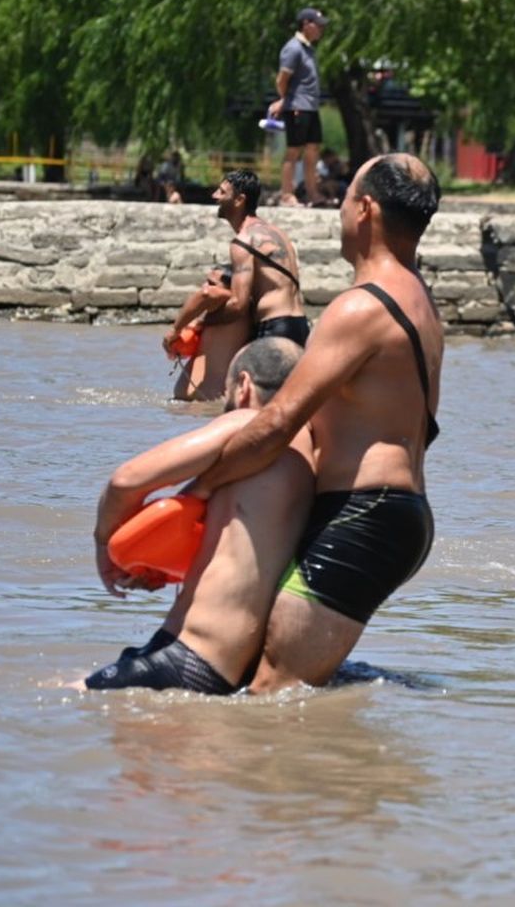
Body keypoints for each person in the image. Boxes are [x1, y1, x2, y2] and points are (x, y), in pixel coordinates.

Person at [187, 154, 444, 689]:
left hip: (364, 515)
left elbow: (278, 423)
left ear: (365, 210)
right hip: (392, 512)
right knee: (282, 686)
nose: (339, 208)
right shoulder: (420, 301)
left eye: (344, 196)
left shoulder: (361, 309)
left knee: (271, 693)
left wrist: (198, 489)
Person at [84, 338, 314, 694]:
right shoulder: (311, 453)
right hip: (238, 665)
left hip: (190, 654)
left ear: (244, 385)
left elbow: (125, 481)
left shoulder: (250, 422)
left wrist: (104, 545)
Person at [164, 170, 309, 399]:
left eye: (222, 192)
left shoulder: (244, 241)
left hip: (274, 328)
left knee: (257, 407)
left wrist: (197, 325)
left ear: (239, 200)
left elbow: (238, 304)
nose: (214, 196)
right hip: (300, 325)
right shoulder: (277, 233)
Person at [269, 7, 329, 207]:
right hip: (297, 105)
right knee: (294, 150)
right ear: (306, 24)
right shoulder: (293, 48)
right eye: (317, 25)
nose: (321, 29)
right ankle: (287, 194)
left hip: (311, 106)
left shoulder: (309, 48)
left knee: (313, 148)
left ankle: (312, 193)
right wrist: (284, 99)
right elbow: (282, 79)